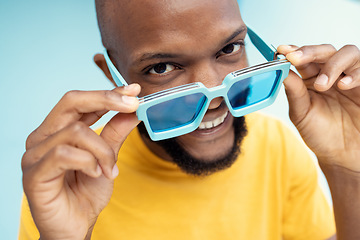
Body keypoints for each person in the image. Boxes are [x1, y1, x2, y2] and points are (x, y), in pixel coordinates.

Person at [19, 0, 360, 239]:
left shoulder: (278, 146)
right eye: (162, 67)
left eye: (228, 49)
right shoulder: (73, 174)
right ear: (114, 76)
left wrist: (346, 168)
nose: (215, 96)